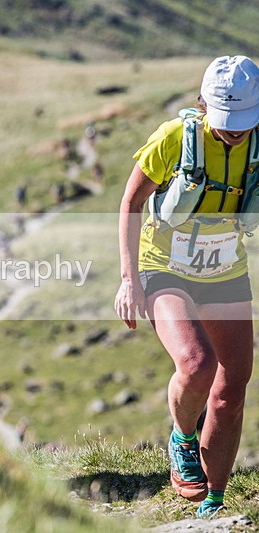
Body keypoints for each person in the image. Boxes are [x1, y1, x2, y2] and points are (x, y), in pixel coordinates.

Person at [115, 56, 259, 518]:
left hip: (225, 271)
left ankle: (214, 504)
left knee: (230, 390)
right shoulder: (175, 138)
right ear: (204, 104)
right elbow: (132, 201)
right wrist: (128, 279)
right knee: (198, 364)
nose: (235, 131)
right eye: (226, 121)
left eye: (243, 121)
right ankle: (182, 437)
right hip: (165, 266)